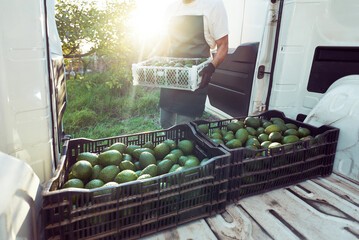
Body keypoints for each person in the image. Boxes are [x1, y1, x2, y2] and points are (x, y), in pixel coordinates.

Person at [156, 0, 229, 129]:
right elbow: (165, 41)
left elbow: (223, 45)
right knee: (165, 122)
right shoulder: (172, 8)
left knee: (183, 127)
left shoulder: (213, 5)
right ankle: (170, 147)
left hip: (195, 75)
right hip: (172, 73)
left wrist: (212, 67)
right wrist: (154, 61)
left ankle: (185, 147)